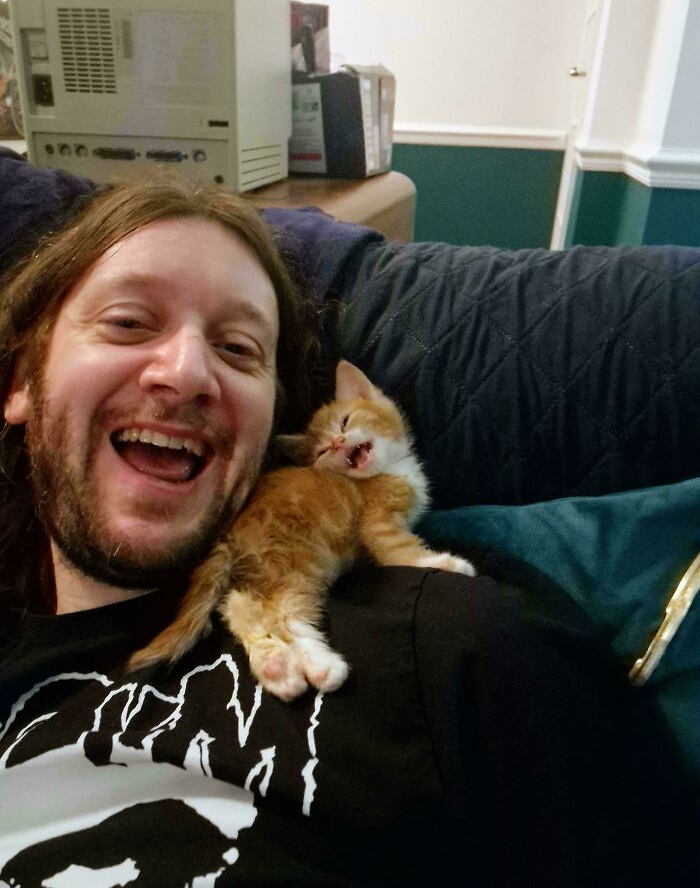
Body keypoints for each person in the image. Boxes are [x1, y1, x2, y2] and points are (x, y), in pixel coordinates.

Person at [0, 175, 695, 888]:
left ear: (272, 421)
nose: (186, 371)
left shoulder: (442, 637)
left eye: (239, 348)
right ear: (20, 380)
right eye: (128, 321)